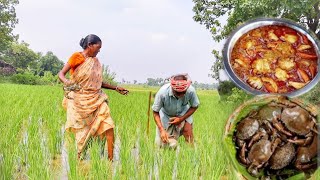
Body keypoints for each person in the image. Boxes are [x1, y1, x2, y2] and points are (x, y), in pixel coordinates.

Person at [58, 34, 128, 161]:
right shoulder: (76, 57)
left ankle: (110, 160)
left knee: (109, 125)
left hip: (97, 98)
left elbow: (97, 82)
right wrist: (67, 82)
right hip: (79, 100)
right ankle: (80, 159)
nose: (99, 50)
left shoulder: (96, 62)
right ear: (89, 45)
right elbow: (61, 73)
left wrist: (116, 88)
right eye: (98, 47)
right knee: (83, 132)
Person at [152, 73, 200, 147]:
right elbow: (155, 112)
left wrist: (181, 119)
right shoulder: (162, 93)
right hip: (166, 115)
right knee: (163, 143)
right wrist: (161, 130)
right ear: (172, 87)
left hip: (183, 113)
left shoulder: (191, 91)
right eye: (177, 93)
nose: (180, 95)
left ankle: (191, 155)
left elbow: (195, 106)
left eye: (183, 92)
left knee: (188, 134)